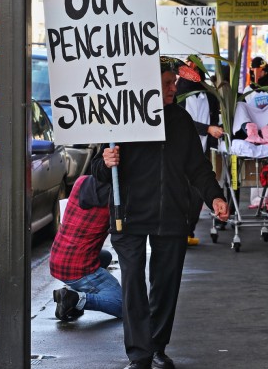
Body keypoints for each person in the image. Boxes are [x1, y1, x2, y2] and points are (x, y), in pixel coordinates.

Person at [91, 56, 230, 369]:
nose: (174, 87)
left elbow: (197, 168)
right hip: (127, 213)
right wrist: (107, 160)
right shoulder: (122, 118)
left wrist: (215, 198)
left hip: (170, 212)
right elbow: (97, 170)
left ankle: (156, 346)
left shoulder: (179, 120)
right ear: (148, 86)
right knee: (134, 285)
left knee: (166, 284)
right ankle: (139, 354)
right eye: (167, 83)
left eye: (173, 82)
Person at [50, 175, 122, 321]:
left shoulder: (81, 181)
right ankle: (75, 299)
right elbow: (121, 238)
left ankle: (69, 297)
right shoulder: (115, 200)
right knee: (124, 305)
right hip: (78, 268)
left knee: (105, 256)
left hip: (58, 257)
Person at [177, 55, 224, 246]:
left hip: (202, 149)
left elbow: (214, 116)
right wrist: (206, 129)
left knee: (197, 191)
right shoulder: (178, 92)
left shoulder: (208, 93)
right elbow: (182, 122)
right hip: (181, 149)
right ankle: (181, 229)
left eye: (193, 68)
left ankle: (189, 229)